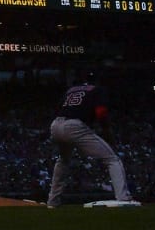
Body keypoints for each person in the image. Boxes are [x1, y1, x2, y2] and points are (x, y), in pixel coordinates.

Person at [46, 72, 140, 208]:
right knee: (112, 159)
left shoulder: (71, 90)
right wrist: (107, 132)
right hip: (74, 126)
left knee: (63, 161)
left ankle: (52, 202)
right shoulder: (98, 90)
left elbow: (60, 109)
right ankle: (124, 198)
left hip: (55, 125)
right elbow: (101, 112)